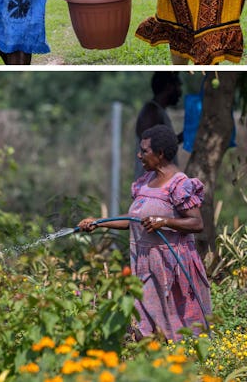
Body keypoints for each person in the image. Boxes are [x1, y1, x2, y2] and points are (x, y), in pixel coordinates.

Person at [78, 124, 211, 341]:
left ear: (160, 154)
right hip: (146, 264)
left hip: (172, 266)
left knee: (180, 330)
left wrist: (165, 221)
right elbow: (134, 221)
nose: (139, 155)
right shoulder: (146, 182)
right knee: (146, 326)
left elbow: (197, 223)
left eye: (144, 151)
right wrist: (99, 223)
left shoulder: (179, 184)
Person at [134, 72, 183, 178]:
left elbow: (160, 145)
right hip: (151, 187)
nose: (180, 92)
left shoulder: (159, 111)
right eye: (178, 86)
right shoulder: (151, 112)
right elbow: (151, 146)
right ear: (169, 87)